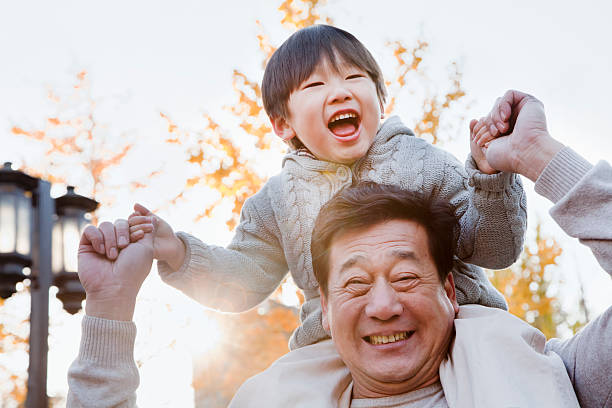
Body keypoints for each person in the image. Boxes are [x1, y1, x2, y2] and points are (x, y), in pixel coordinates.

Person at [68, 89, 611, 407]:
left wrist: (539, 156)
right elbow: (241, 273)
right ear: (323, 308)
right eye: (353, 283)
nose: (382, 306)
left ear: (450, 288)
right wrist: (111, 308)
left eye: (405, 277)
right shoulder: (280, 395)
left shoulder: (551, 375)